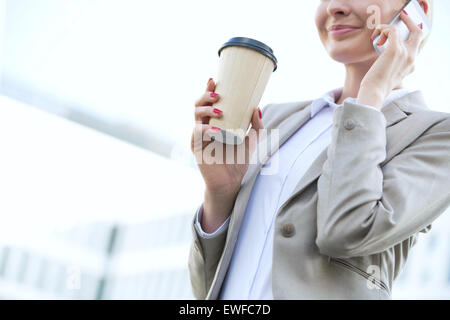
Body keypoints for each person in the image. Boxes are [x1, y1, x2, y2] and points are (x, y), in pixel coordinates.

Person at [188, 0, 449, 299]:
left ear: (417, 11)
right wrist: (220, 195)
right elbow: (206, 289)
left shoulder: (436, 135)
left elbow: (347, 230)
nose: (335, 7)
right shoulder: (275, 119)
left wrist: (372, 94)